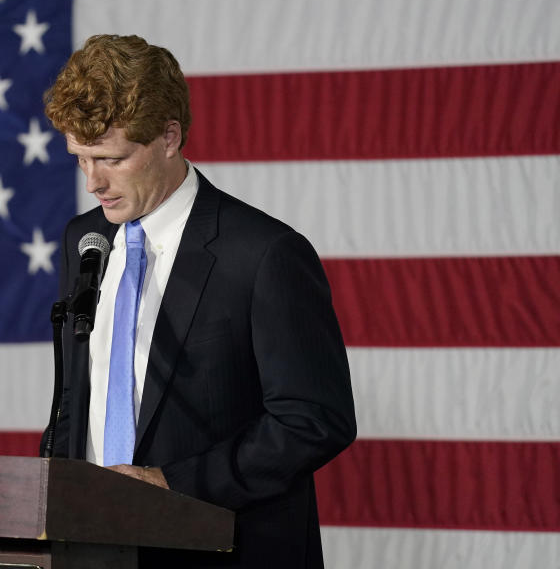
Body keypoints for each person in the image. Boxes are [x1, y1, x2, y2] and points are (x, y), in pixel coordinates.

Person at [40, 34, 356, 568]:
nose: (93, 181)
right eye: (80, 158)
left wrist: (170, 483)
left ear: (169, 138)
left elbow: (313, 420)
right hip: (89, 547)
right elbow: (75, 399)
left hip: (222, 549)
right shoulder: (84, 240)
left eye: (112, 159)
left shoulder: (264, 255)